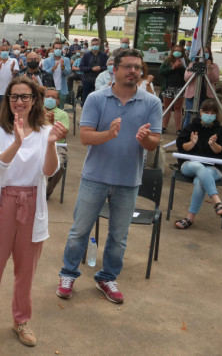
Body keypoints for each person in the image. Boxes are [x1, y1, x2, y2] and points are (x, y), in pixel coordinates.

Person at [57, 48, 161, 305]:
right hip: (95, 177)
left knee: (118, 236)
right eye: (128, 66)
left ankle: (107, 277)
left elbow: (154, 144)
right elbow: (84, 137)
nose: (133, 71)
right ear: (114, 70)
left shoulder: (151, 103)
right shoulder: (96, 99)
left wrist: (146, 138)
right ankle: (68, 274)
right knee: (79, 231)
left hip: (129, 180)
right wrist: (109, 134)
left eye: (137, 67)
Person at [0, 77, 66, 347]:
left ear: (34, 100)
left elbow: (49, 171)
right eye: (14, 96)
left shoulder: (44, 130)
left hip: (32, 203)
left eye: (25, 96)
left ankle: (21, 319)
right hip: (3, 202)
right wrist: (16, 142)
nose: (20, 102)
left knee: (26, 268)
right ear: (7, 100)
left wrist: (50, 144)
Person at [173, 99, 222, 229]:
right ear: (200, 112)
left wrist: (213, 144)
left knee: (200, 180)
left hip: (214, 167)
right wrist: (192, 143)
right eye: (207, 111)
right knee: (198, 165)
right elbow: (181, 147)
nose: (209, 114)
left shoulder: (221, 130)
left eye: (213, 112)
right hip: (190, 165)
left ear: (216, 114)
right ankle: (217, 201)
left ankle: (189, 218)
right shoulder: (191, 128)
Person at [43, 87, 70, 199]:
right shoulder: (36, 111)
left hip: (58, 145)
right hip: (39, 143)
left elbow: (63, 134)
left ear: (58, 101)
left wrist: (50, 124)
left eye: (53, 97)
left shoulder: (63, 115)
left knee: (60, 164)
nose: (50, 99)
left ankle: (47, 192)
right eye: (48, 96)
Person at [183, 46, 219, 127]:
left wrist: (209, 70)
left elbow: (214, 79)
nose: (204, 54)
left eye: (206, 52)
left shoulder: (214, 66)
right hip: (192, 96)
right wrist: (196, 69)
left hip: (206, 96)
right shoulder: (192, 64)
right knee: (189, 117)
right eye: (203, 52)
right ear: (198, 54)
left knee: (202, 118)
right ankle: (185, 135)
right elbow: (186, 78)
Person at [159, 45, 187, 133]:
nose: (177, 53)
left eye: (179, 51)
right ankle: (163, 127)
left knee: (178, 108)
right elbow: (161, 71)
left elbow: (188, 73)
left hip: (180, 88)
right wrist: (172, 68)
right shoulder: (167, 61)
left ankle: (178, 129)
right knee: (167, 107)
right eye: (176, 51)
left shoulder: (185, 61)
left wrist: (181, 67)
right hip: (168, 87)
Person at [79, 38, 108, 105]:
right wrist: (91, 69)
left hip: (101, 81)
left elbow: (107, 67)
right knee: (86, 100)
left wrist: (100, 68)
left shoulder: (104, 55)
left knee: (99, 100)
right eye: (93, 44)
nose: (95, 45)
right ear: (91, 45)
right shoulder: (86, 55)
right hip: (88, 80)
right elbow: (81, 67)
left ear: (99, 45)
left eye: (96, 44)